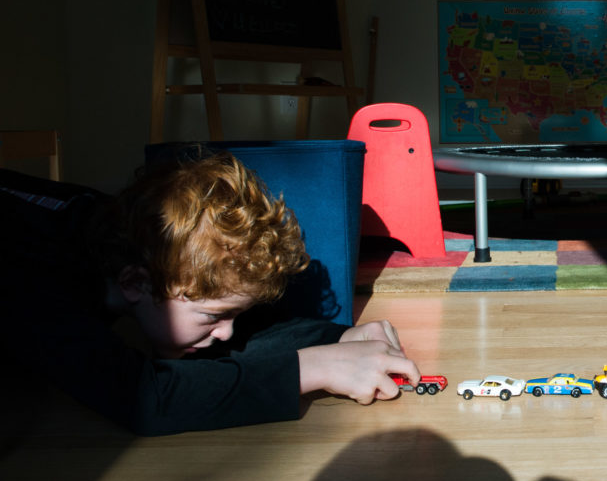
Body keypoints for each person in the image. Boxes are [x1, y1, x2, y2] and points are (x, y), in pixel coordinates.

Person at [0, 150, 419, 436]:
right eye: (212, 316)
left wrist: (335, 338)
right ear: (135, 284)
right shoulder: (34, 279)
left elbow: (233, 326)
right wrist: (310, 369)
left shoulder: (130, 237)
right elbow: (144, 399)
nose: (224, 332)